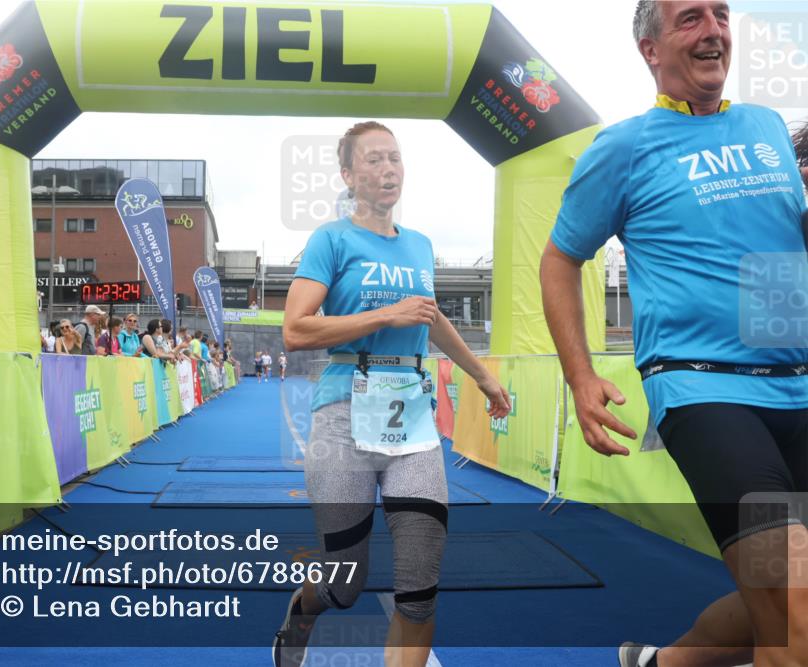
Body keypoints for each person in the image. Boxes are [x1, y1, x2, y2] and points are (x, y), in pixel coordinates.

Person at [539, 4, 808, 666]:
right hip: (705, 389)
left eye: (720, 14)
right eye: (691, 19)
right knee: (792, 598)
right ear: (650, 49)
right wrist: (580, 375)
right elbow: (559, 258)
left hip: (798, 383)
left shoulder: (768, 125)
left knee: (778, 596)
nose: (713, 29)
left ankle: (660, 663)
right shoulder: (624, 147)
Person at [275, 121, 510, 667]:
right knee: (345, 583)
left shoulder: (421, 245)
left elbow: (429, 319)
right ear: (349, 175)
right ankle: (304, 610)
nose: (388, 170)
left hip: (411, 420)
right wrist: (386, 313)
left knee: (421, 582)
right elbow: (296, 328)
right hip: (342, 412)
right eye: (375, 160)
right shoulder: (331, 240)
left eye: (395, 159)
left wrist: (480, 374)